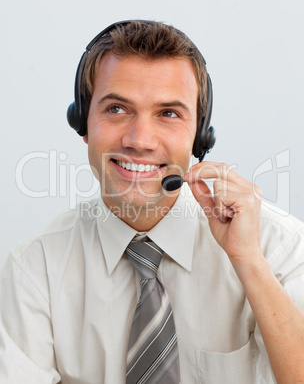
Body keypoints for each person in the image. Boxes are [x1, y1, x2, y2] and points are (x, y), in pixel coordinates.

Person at [0, 20, 304, 384]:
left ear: (200, 136)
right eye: (116, 109)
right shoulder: (35, 269)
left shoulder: (277, 246)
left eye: (169, 114)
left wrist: (250, 263)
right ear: (83, 123)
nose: (140, 140)